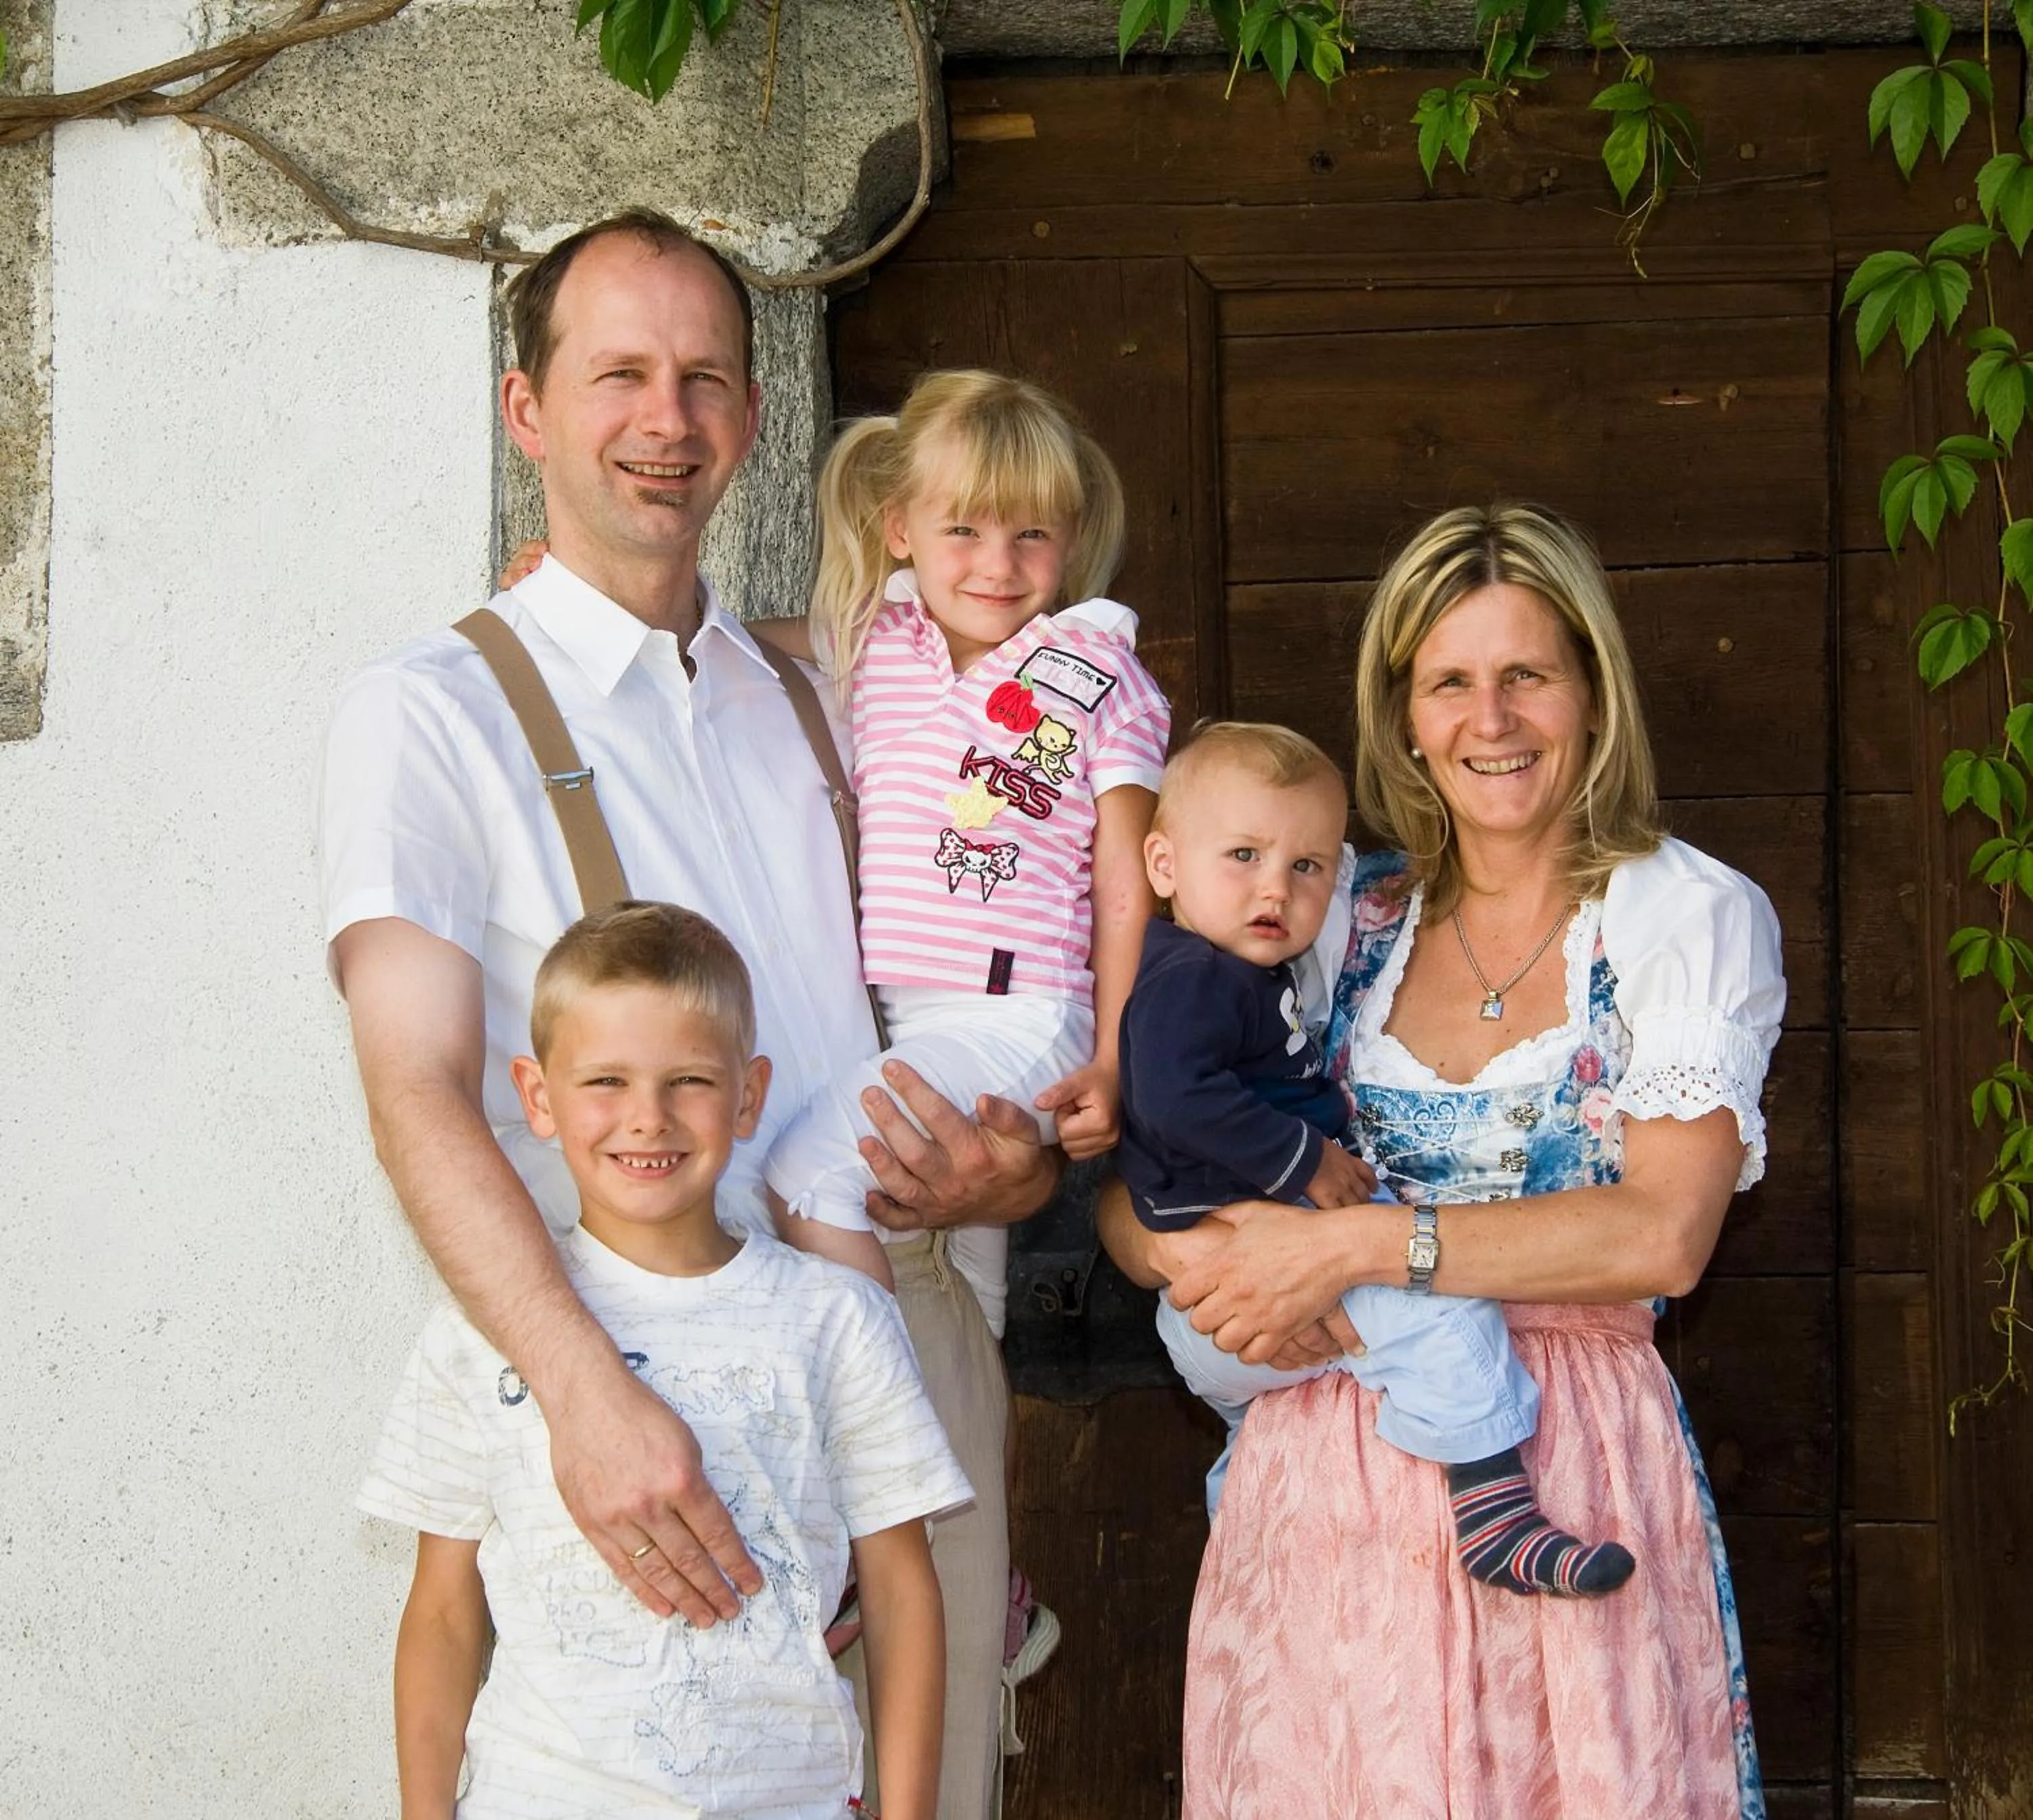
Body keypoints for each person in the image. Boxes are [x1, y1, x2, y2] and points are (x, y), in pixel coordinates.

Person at [321, 207, 1058, 1820]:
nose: (670, 419)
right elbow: (416, 1092)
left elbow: (1015, 909)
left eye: (708, 377)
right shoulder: (429, 714)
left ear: (754, 413)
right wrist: (587, 1398)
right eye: (622, 374)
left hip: (904, 1343)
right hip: (643, 1379)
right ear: (528, 411)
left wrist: (1023, 1164)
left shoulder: (840, 686)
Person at [1102, 503, 1786, 1817]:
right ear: (1406, 714)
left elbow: (1666, 1233)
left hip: (1564, 1471)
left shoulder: (1676, 915)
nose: (1494, 717)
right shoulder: (1334, 912)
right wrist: (1175, 1252)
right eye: (1450, 681)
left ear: (1589, 690)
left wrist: (1360, 1243)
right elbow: (1149, 1159)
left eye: (1527, 672)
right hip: (1318, 1494)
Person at [361, 902, 967, 1819]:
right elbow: (443, 1611)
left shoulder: (836, 1319)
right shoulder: (481, 1331)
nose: (647, 1118)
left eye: (687, 1079)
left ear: (748, 1093)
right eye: (605, 1079)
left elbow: (902, 1589)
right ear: (537, 1095)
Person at [1120, 720, 1632, 1596]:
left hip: (1229, 1300)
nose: (1274, 887)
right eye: (1242, 855)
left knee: (1264, 1433)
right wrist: (1306, 1164)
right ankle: (1496, 1513)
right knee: (1438, 1300)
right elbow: (1171, 1099)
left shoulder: (1245, 969)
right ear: (1164, 867)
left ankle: (1243, 1531)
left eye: (1307, 867)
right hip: (1231, 1272)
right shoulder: (1189, 979)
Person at [754, 369, 1168, 1338]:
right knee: (969, 1297)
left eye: (1031, 532)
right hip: (911, 1021)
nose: (999, 563)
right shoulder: (875, 641)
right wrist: (580, 591)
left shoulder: (1100, 670)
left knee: (807, 1172)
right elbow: (716, 641)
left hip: (1022, 1017)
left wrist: (1111, 1057)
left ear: (1068, 538)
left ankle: (873, 1425)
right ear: (901, 528)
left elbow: (1123, 884)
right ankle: (965, 1452)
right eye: (965, 531)